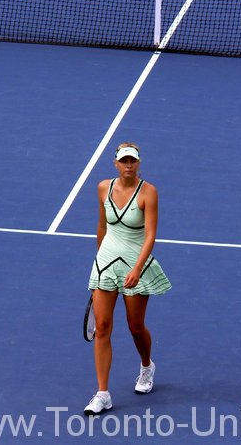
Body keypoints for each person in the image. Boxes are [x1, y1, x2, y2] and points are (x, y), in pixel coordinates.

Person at [84, 142, 172, 416]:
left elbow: (150, 235)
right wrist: (100, 264)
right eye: (124, 161)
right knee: (102, 325)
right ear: (116, 164)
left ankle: (146, 366)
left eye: (132, 161)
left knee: (135, 326)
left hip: (136, 264)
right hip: (106, 265)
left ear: (139, 163)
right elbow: (102, 226)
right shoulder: (103, 188)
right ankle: (102, 394)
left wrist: (137, 268)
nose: (128, 165)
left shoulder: (149, 192)